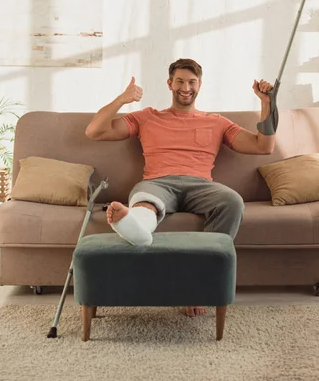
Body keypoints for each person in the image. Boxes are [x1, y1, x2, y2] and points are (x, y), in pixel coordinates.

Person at [86, 58, 277, 317]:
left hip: (201, 186)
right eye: (179, 81)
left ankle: (197, 286)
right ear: (169, 84)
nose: (185, 87)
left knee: (232, 201)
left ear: (200, 86)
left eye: (191, 82)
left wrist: (266, 103)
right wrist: (122, 99)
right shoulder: (147, 117)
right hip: (158, 182)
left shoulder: (217, 122)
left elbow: (263, 146)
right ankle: (137, 226)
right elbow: (94, 131)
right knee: (145, 201)